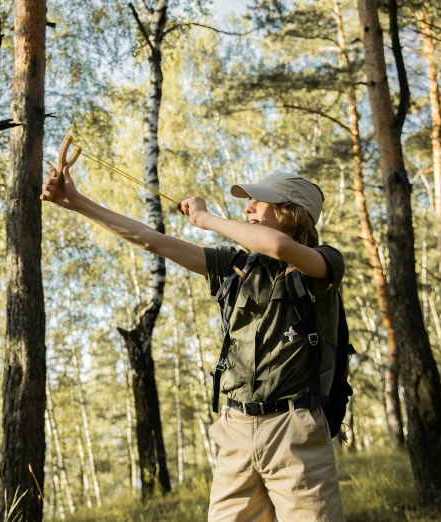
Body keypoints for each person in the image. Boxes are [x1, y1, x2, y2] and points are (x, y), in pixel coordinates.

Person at [41, 166, 345, 522]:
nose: (247, 208)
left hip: (294, 430)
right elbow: (149, 239)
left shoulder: (324, 263)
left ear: (293, 213)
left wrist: (204, 218)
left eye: (259, 202)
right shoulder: (235, 267)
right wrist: (77, 203)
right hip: (235, 429)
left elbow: (279, 246)